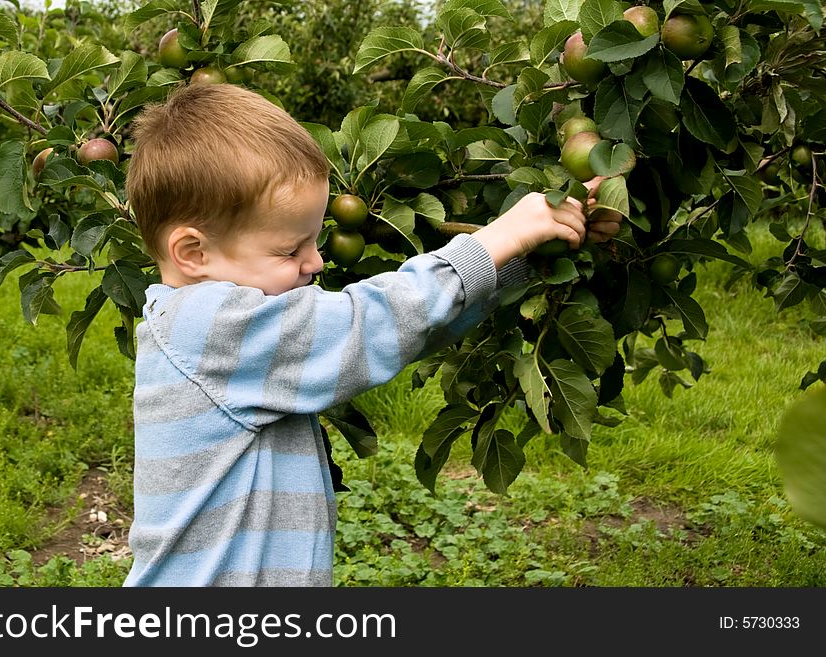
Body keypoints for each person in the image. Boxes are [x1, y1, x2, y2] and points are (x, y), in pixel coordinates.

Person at [122, 83, 620, 587]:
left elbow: (402, 335)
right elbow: (370, 325)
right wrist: (494, 242)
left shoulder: (217, 328)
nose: (314, 262)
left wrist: (525, 256)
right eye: (290, 249)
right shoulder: (208, 328)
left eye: (314, 240)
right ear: (193, 253)